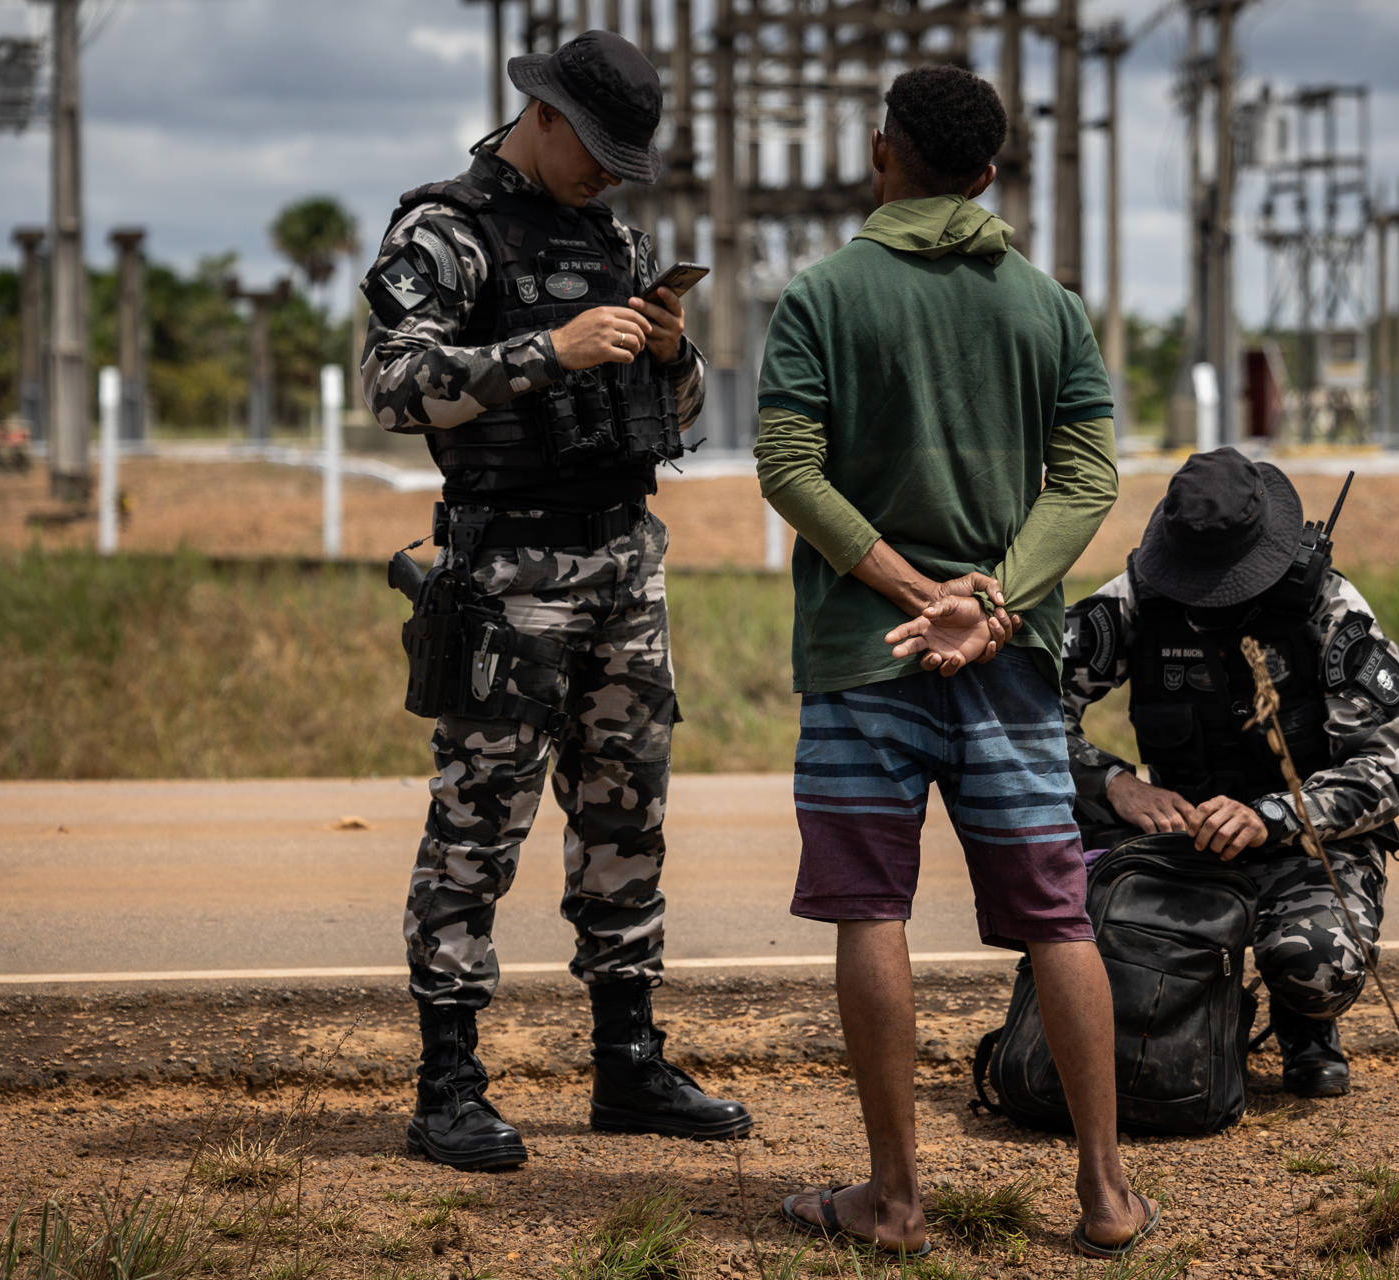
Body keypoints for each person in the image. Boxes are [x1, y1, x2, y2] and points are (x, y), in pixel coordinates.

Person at [754, 64, 1156, 1260]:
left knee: (870, 907)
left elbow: (788, 466)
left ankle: (893, 1200)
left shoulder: (823, 296)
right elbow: (1087, 477)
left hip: (859, 655)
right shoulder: (1050, 307)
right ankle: (1103, 1194)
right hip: (1011, 661)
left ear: (883, 155)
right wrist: (990, 599)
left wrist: (903, 585)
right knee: (1058, 915)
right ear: (987, 174)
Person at [360, 29, 751, 1171]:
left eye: (628, 157)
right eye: (596, 149)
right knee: (477, 828)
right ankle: (448, 1083)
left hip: (625, 561)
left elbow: (678, 430)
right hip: (509, 574)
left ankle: (628, 1060)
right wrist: (549, 348)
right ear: (541, 115)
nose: (608, 173)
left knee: (627, 815)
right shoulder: (446, 230)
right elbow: (395, 386)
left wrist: (671, 357)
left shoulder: (613, 237)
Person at [1061, 448, 1399, 1099]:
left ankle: (1304, 1023)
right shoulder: (1137, 598)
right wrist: (1114, 783)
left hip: (1304, 847)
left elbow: (1382, 773)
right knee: (1070, 928)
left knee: (1317, 965)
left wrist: (1270, 816)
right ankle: (1159, 1019)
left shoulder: (1329, 612)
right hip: (1179, 843)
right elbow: (1026, 712)